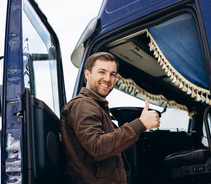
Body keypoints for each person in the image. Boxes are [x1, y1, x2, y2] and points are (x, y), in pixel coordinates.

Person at [60, 52, 160, 184]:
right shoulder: (83, 104)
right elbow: (98, 147)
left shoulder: (97, 107)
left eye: (112, 74)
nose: (108, 79)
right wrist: (140, 124)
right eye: (102, 72)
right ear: (87, 74)